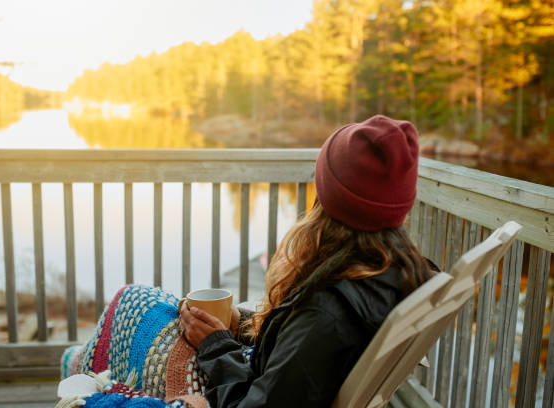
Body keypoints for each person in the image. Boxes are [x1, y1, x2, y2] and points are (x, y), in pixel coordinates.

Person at [178, 114, 436, 407]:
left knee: (137, 303)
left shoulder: (326, 311)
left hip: (232, 393)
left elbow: (265, 398)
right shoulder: (391, 272)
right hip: (267, 377)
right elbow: (299, 356)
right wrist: (245, 325)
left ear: (329, 195)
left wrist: (215, 347)